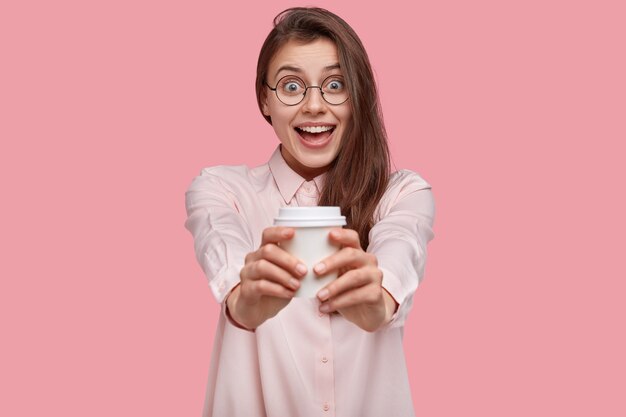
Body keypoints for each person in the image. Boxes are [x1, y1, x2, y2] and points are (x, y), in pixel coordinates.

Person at [185, 7, 435, 417]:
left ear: (359, 96)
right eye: (291, 86)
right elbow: (221, 245)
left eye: (335, 84)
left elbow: (401, 249)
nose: (314, 106)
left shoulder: (402, 193)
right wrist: (243, 301)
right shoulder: (222, 189)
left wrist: (377, 302)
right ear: (264, 99)